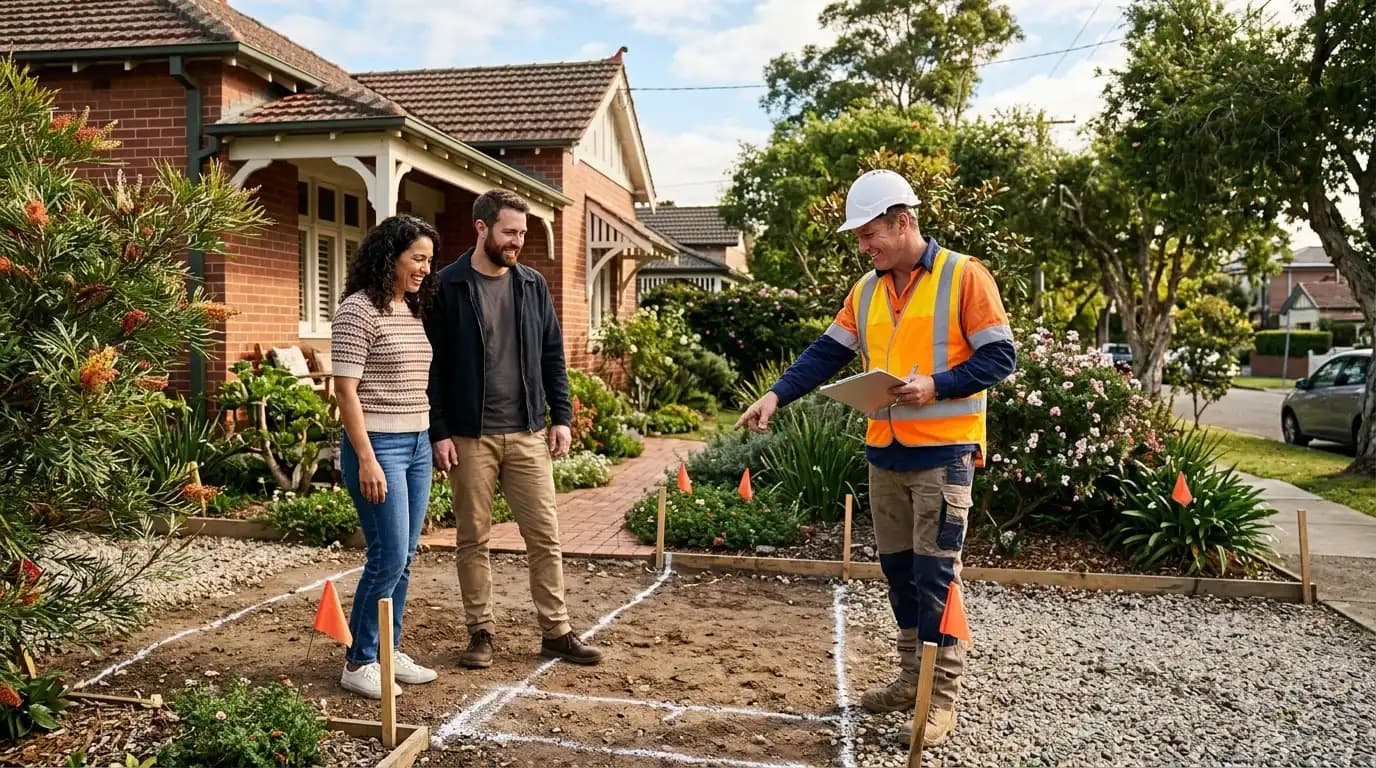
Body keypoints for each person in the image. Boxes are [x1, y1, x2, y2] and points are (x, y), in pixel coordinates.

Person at [736, 169, 1016, 746]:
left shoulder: (966, 276)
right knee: (897, 573)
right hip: (885, 452)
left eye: (869, 236)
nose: (863, 247)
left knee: (937, 577)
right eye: (861, 239)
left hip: (945, 452)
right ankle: (911, 677)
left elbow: (999, 359)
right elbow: (825, 354)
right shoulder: (866, 291)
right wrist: (775, 395)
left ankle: (939, 699)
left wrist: (934, 386)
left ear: (903, 221)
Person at [426, 189, 603, 668]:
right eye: (509, 232)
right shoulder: (447, 286)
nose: (517, 242)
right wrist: (438, 430)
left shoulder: (532, 285)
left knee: (545, 535)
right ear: (481, 228)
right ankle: (480, 632)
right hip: (469, 435)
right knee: (473, 538)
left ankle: (557, 632)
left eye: (522, 233)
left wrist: (561, 417)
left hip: (527, 432)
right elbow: (432, 368)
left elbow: (552, 356)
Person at [332, 214, 441, 699]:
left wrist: (431, 439)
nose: (424, 268)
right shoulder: (359, 310)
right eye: (417, 258)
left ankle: (387, 652)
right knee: (388, 555)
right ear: (389, 256)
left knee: (407, 555)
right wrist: (368, 459)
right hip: (380, 448)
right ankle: (359, 661)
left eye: (428, 261)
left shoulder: (410, 309)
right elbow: (346, 391)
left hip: (416, 443)